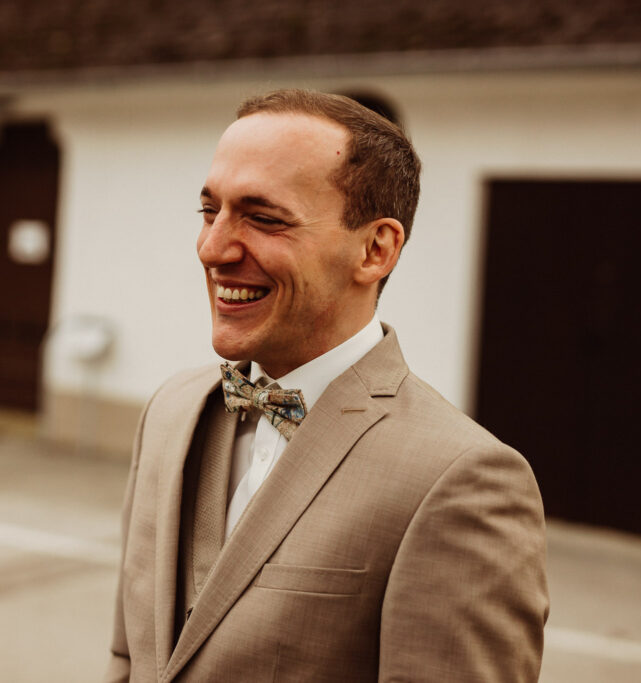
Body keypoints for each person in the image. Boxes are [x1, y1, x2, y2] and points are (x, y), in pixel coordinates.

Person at [105, 89, 548, 682]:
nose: (212, 249)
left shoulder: (461, 480)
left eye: (264, 218)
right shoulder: (168, 411)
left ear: (375, 249)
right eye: (210, 211)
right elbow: (129, 657)